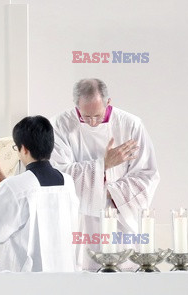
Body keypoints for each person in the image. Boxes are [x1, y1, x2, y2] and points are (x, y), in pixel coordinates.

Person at [50, 78, 160, 270]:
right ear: (76, 105)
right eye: (85, 116)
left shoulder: (131, 125)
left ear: (108, 102)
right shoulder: (60, 125)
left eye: (97, 115)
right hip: (80, 222)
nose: (92, 122)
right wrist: (104, 165)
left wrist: (108, 192)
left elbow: (147, 175)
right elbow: (58, 175)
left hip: (119, 219)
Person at [0, 116, 79, 272]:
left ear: (24, 149)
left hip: (26, 282)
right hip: (62, 276)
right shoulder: (67, 183)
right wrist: (5, 185)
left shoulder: (16, 187)